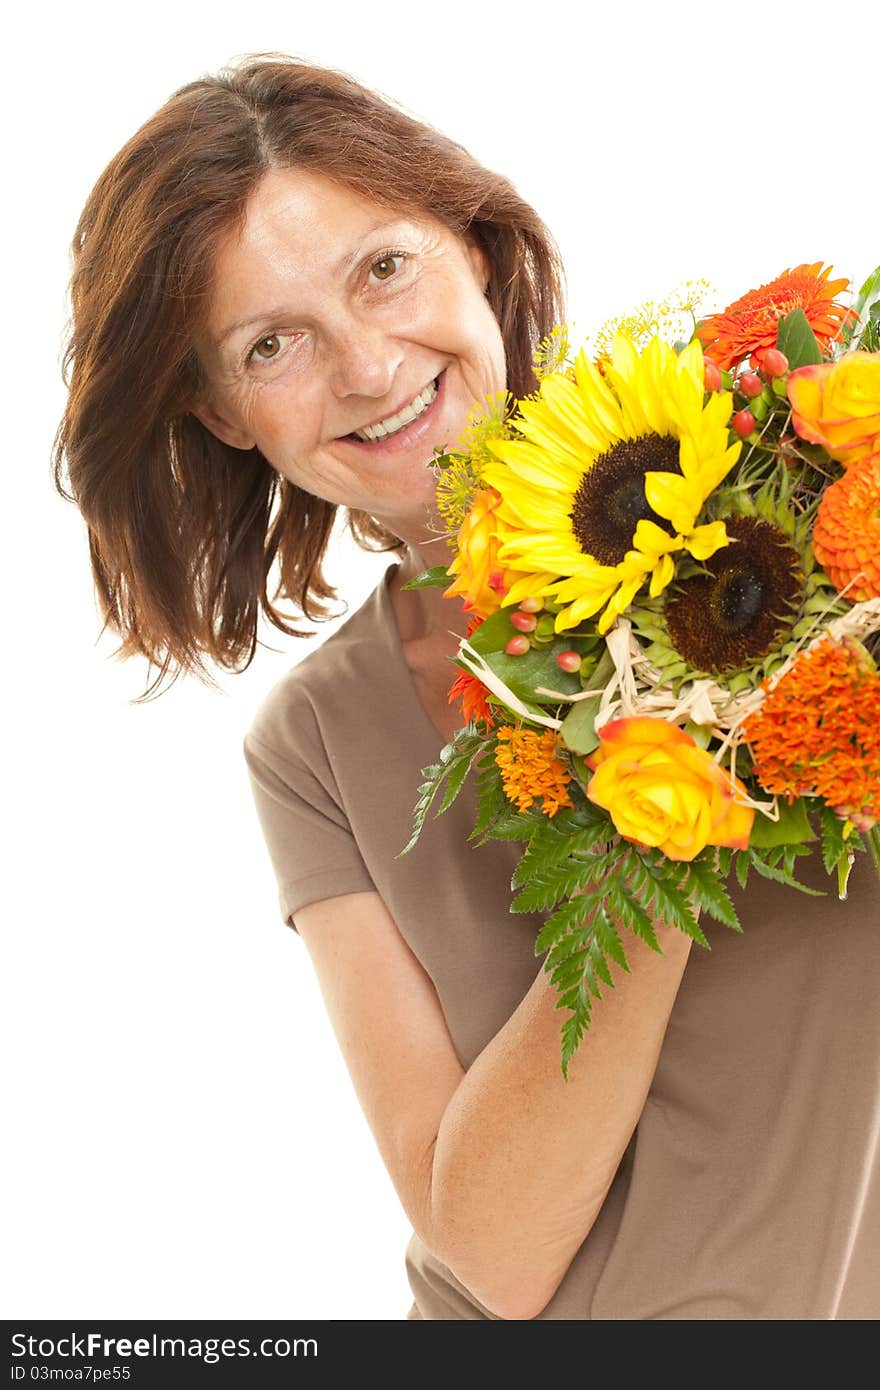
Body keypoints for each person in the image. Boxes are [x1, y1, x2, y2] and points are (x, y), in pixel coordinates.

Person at [53, 54, 880, 1321]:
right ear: (224, 415)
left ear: (474, 242)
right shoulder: (316, 743)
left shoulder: (802, 495)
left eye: (383, 268)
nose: (369, 366)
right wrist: (666, 788)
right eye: (271, 344)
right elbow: (490, 1256)